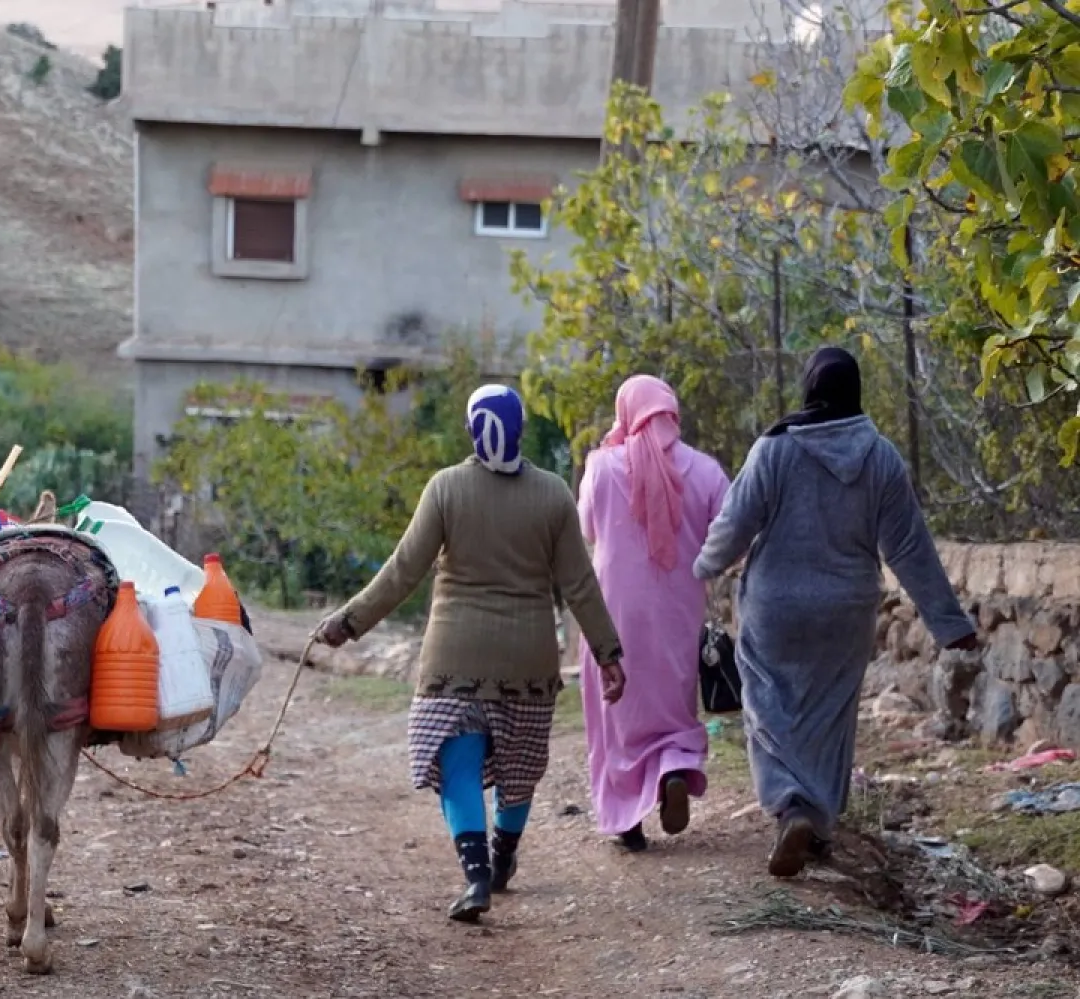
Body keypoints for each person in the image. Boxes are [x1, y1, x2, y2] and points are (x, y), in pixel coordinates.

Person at [315, 384, 625, 922]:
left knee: (458, 759)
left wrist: (349, 622)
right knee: (518, 767)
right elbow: (579, 585)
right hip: (529, 659)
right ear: (523, 429)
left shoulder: (446, 488)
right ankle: (504, 855)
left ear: (469, 430)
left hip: (454, 656)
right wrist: (608, 652)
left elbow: (402, 571)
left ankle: (477, 875)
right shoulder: (552, 495)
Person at [692, 347, 977, 878]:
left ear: (809, 388)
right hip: (846, 609)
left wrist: (705, 565)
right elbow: (909, 548)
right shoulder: (882, 457)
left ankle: (791, 808)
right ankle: (816, 823)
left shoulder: (775, 448)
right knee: (829, 715)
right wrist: (950, 625)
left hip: (775, 607)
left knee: (768, 708)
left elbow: (735, 524)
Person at [577, 374, 731, 853]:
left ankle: (627, 819)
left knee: (615, 711)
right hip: (679, 612)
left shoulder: (601, 467)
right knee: (671, 703)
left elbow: (586, 528)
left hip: (612, 612)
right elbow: (730, 534)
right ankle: (670, 772)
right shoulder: (705, 470)